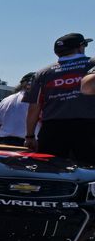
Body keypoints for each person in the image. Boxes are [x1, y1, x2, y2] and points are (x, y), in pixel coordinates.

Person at [25, 33, 95, 164]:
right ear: (81, 47)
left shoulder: (42, 73)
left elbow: (33, 107)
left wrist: (29, 136)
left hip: (52, 129)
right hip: (88, 127)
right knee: (89, 170)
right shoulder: (92, 64)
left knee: (48, 169)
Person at [0, 73, 35, 146]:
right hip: (27, 143)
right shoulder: (36, 101)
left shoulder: (7, 99)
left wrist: (0, 140)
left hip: (5, 141)